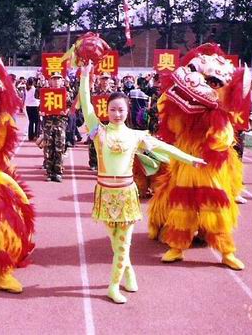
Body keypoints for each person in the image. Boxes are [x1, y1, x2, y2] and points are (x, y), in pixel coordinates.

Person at [79, 62, 204, 304]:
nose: (117, 113)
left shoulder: (136, 136)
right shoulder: (99, 131)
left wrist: (190, 159)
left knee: (124, 243)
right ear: (106, 110)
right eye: (113, 109)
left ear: (127, 111)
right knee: (115, 241)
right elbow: (85, 101)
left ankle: (113, 286)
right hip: (105, 194)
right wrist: (85, 77)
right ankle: (128, 271)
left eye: (121, 110)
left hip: (126, 194)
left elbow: (163, 147)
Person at [41, 72, 70, 182]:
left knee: (59, 148)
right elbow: (42, 107)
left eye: (58, 79)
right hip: (48, 123)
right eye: (54, 79)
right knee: (48, 148)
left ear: (62, 80)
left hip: (60, 123)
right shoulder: (45, 92)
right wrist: (42, 112)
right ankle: (49, 172)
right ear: (50, 81)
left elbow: (70, 107)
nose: (56, 81)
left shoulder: (66, 93)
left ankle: (58, 172)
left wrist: (65, 112)